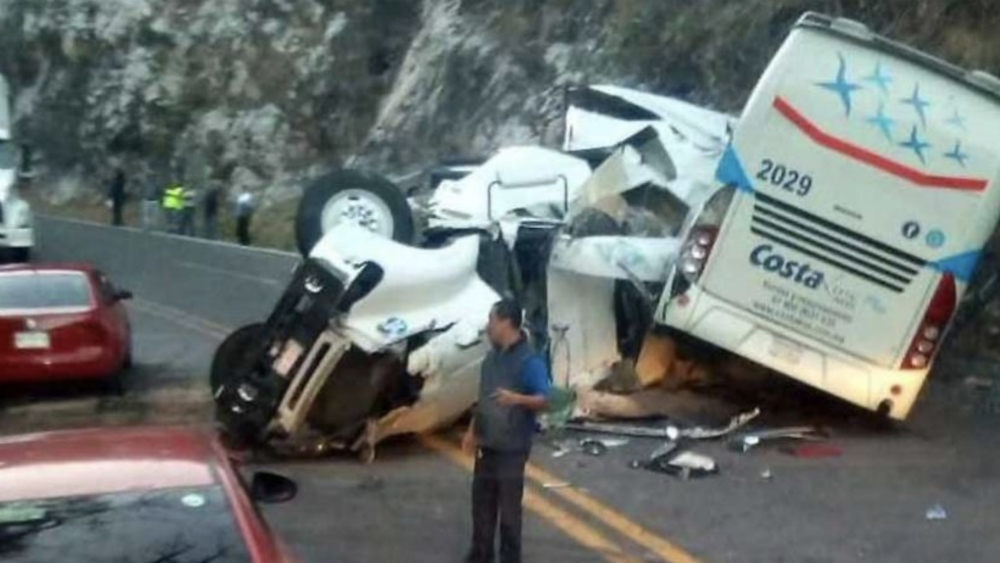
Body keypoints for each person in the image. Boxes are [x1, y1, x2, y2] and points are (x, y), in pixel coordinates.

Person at [463, 298, 551, 563]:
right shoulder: (490, 359)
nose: (488, 326)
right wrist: (471, 431)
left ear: (506, 323)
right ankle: (481, 555)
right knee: (481, 508)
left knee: (510, 514)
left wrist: (517, 399)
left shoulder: (529, 361)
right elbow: (483, 399)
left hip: (511, 450)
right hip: (487, 446)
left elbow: (545, 399)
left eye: (492, 320)